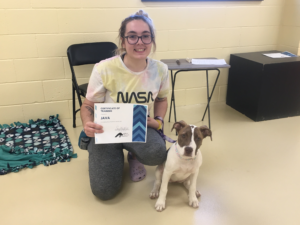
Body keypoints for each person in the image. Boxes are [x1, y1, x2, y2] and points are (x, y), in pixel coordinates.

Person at [80, 10, 170, 200]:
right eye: (132, 36)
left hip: (138, 126)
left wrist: (159, 121)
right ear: (123, 41)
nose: (139, 42)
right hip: (106, 129)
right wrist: (87, 123)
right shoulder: (104, 68)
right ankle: (107, 154)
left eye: (145, 36)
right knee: (104, 192)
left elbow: (161, 99)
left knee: (158, 153)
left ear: (152, 40)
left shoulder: (160, 70)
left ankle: (133, 154)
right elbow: (88, 104)